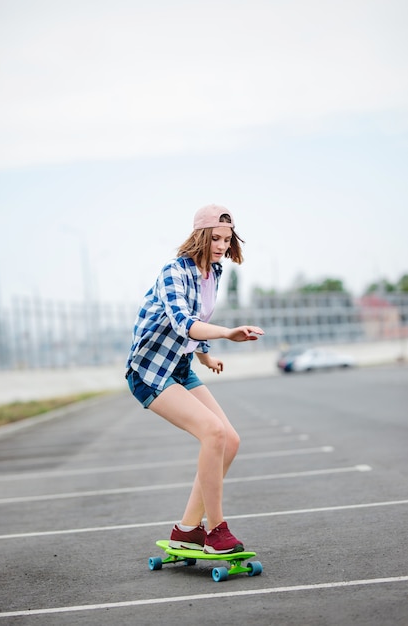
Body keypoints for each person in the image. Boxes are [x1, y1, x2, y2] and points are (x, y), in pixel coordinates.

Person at [125, 204, 264, 554]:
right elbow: (183, 322)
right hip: (150, 370)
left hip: (181, 366)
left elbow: (196, 320)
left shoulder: (213, 272)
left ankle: (187, 528)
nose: (221, 246)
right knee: (212, 432)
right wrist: (228, 334)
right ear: (200, 235)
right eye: (215, 238)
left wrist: (205, 356)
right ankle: (216, 531)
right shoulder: (173, 272)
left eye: (227, 239)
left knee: (229, 440)